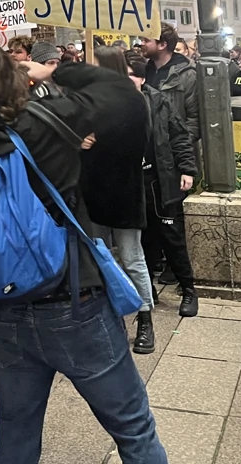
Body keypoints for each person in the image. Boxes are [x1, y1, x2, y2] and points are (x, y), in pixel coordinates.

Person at [0, 42, 168, 464]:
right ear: (14, 79)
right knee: (133, 428)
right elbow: (123, 96)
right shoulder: (45, 122)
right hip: (71, 299)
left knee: (16, 436)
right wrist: (51, 74)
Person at [86, 47, 155, 349]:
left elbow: (134, 145)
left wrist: (95, 140)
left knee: (131, 257)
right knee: (99, 256)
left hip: (124, 189)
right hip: (93, 188)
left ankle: (145, 317)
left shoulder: (133, 101)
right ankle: (105, 317)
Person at [126, 53, 198, 334]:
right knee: (143, 240)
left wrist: (187, 169)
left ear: (142, 78)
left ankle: (189, 288)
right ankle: (148, 290)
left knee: (172, 236)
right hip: (132, 183)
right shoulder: (116, 105)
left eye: (130, 75)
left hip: (160, 179)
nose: (125, 80)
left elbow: (179, 135)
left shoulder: (158, 100)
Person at [142, 24, 199, 169]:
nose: (141, 44)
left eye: (146, 40)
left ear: (162, 45)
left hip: (174, 154)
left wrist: (177, 146)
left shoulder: (186, 74)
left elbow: (194, 118)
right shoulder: (143, 71)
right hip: (148, 151)